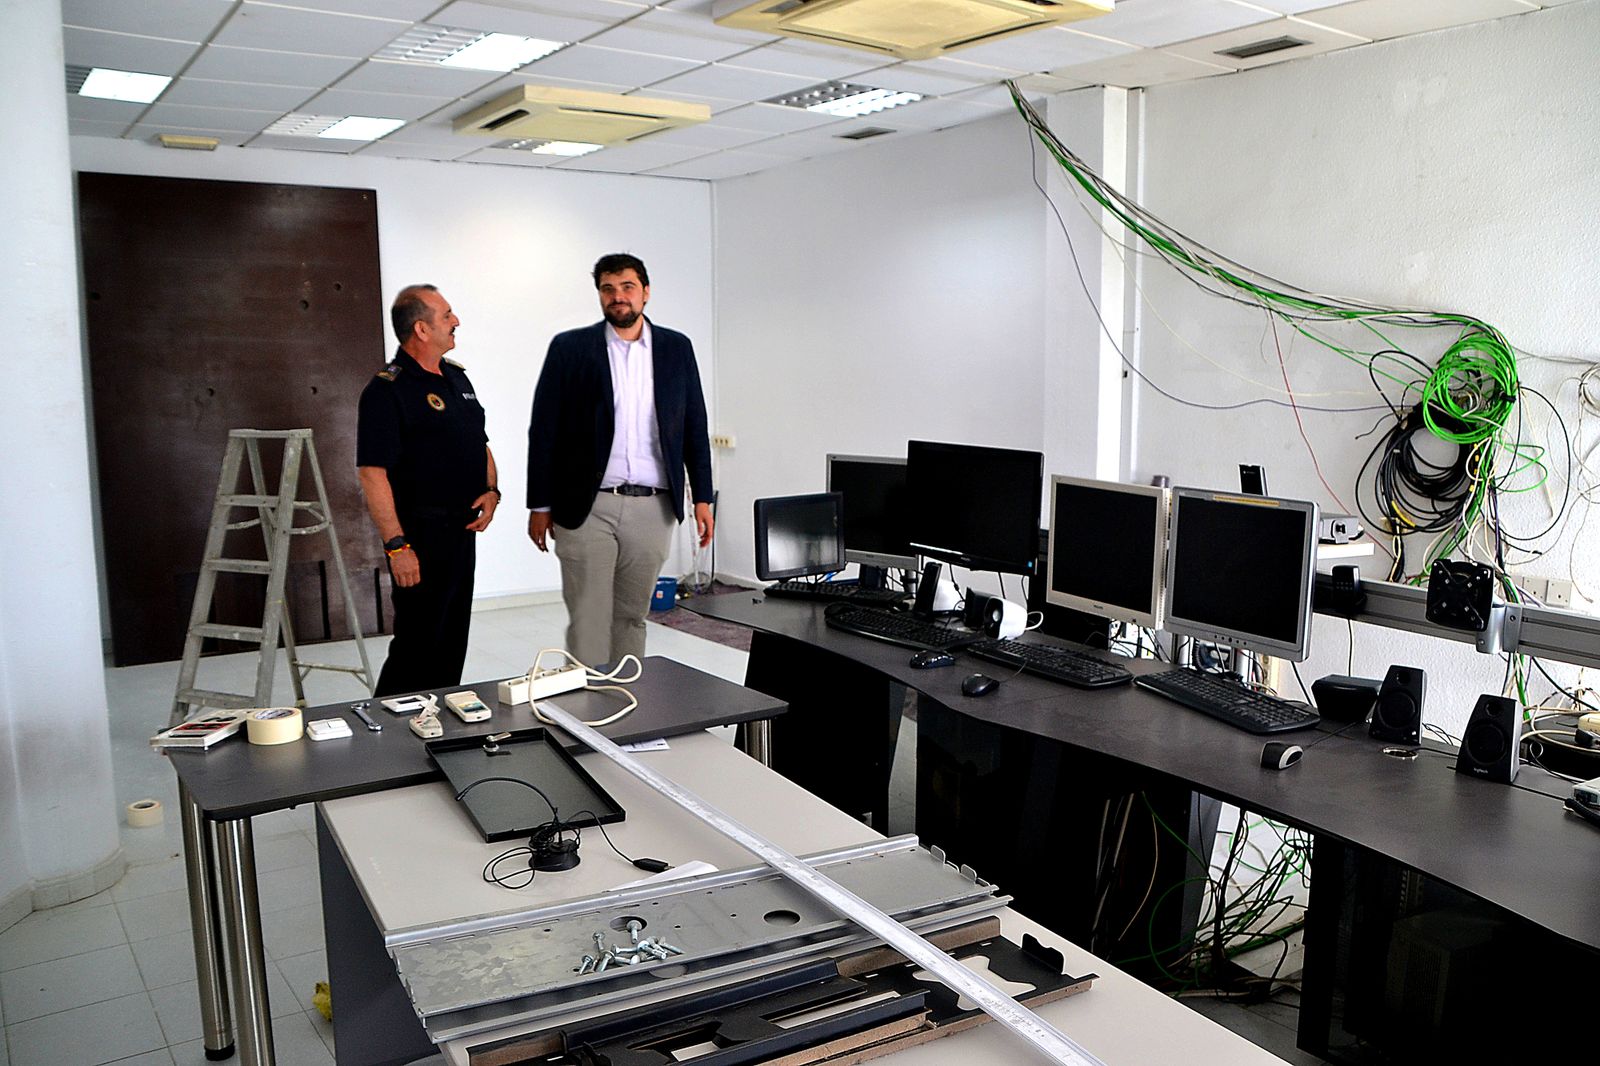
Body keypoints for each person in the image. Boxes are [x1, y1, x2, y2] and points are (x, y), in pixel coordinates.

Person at [526, 253, 713, 666]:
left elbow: (694, 426)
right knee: (590, 619)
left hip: (654, 506)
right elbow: (544, 431)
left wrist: (702, 496)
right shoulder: (571, 348)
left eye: (627, 287)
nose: (618, 297)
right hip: (587, 505)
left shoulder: (676, 349)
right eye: (608, 289)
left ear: (645, 292)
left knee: (631, 617)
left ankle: (626, 710)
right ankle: (585, 715)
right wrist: (540, 505)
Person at [357, 285, 499, 695]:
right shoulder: (388, 390)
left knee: (452, 641)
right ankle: (389, 741)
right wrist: (398, 546)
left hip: (462, 533)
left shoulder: (456, 378)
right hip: (419, 536)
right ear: (421, 328)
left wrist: (491, 489)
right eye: (447, 315)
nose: (456, 321)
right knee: (416, 644)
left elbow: (479, 441)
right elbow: (372, 472)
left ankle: (440, 725)